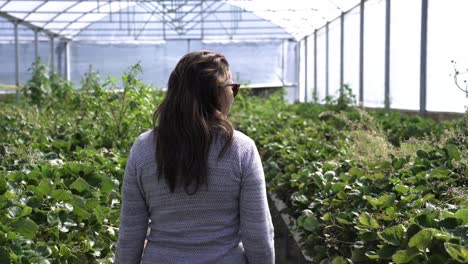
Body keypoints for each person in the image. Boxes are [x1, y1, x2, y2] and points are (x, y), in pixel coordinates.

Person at [115, 50, 275, 263]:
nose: (234, 94)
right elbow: (258, 235)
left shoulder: (144, 148)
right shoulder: (241, 149)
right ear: (216, 92)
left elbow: (130, 233)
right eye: (232, 88)